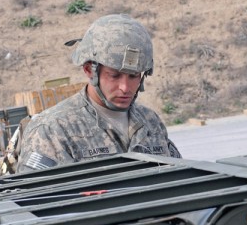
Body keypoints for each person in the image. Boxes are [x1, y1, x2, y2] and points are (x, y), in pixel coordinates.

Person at [16, 14, 181, 173]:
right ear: (89, 70)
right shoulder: (53, 130)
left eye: (133, 76)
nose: (125, 87)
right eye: (114, 75)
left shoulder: (150, 121)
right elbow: (37, 197)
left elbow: (179, 178)